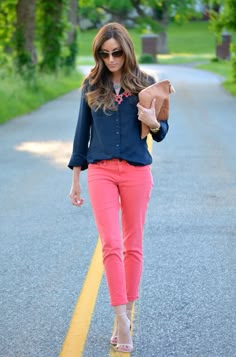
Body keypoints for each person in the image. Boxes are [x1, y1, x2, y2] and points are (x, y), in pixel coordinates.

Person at [68, 22, 169, 353]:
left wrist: (153, 123)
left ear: (126, 50)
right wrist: (76, 180)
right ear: (98, 54)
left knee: (132, 244)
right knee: (110, 244)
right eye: (103, 53)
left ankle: (123, 313)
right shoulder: (91, 85)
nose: (111, 59)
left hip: (137, 172)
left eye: (116, 53)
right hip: (101, 172)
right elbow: (81, 134)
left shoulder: (146, 84)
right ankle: (121, 317)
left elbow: (162, 130)